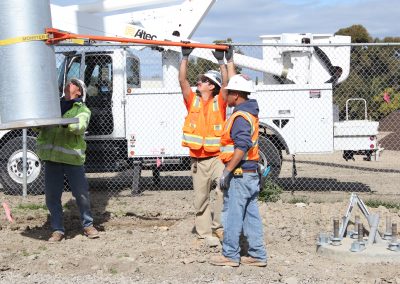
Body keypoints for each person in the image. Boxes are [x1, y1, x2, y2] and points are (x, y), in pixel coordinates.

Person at [210, 71, 267, 267]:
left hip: (240, 174)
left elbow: (241, 147)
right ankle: (258, 254)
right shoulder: (249, 113)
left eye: (229, 92)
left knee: (232, 215)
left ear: (236, 94)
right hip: (250, 174)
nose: (226, 96)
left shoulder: (240, 117)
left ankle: (230, 255)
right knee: (251, 215)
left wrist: (227, 171)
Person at [178, 44, 231, 243]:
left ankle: (219, 227)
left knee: (222, 191)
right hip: (198, 160)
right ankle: (205, 233)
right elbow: (182, 80)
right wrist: (184, 57)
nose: (199, 82)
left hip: (217, 157)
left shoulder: (221, 101)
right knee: (200, 198)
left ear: (213, 86)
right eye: (200, 80)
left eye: (204, 80)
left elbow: (226, 84)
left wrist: (221, 62)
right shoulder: (193, 100)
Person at [36, 78, 99, 242]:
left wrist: (65, 123)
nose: (67, 84)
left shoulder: (83, 110)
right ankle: (58, 230)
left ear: (79, 91)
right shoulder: (52, 106)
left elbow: (80, 126)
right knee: (52, 196)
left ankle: (88, 225)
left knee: (81, 195)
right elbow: (38, 126)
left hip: (73, 159)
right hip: (52, 158)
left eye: (72, 83)